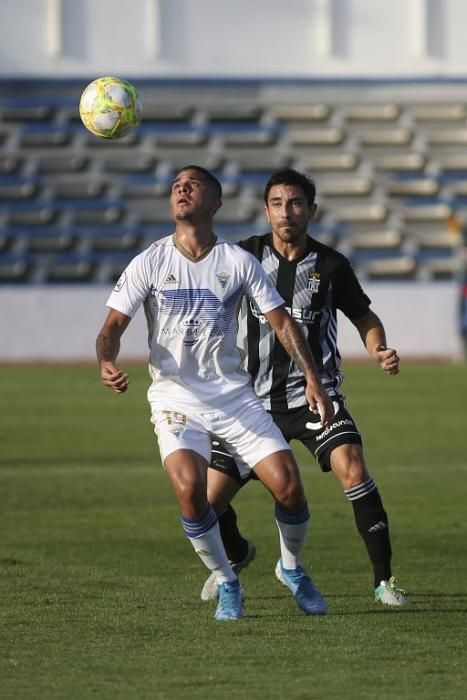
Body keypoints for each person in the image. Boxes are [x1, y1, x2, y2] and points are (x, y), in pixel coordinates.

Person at [96, 165, 335, 622]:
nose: (182, 189)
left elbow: (282, 322)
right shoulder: (149, 261)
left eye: (193, 184)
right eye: (176, 186)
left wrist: (312, 377)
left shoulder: (237, 262)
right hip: (175, 399)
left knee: (289, 487)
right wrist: (107, 360)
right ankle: (228, 581)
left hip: (233, 397)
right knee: (191, 492)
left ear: (216, 201)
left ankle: (291, 568)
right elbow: (111, 328)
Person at [201, 167, 410, 607]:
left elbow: (365, 319)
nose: (286, 212)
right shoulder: (243, 258)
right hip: (251, 401)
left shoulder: (331, 265)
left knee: (353, 466)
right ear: (266, 210)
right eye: (277, 203)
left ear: (310, 210)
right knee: (206, 501)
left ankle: (384, 582)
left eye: (295, 203)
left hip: (316, 396)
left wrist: (379, 349)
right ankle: (237, 553)